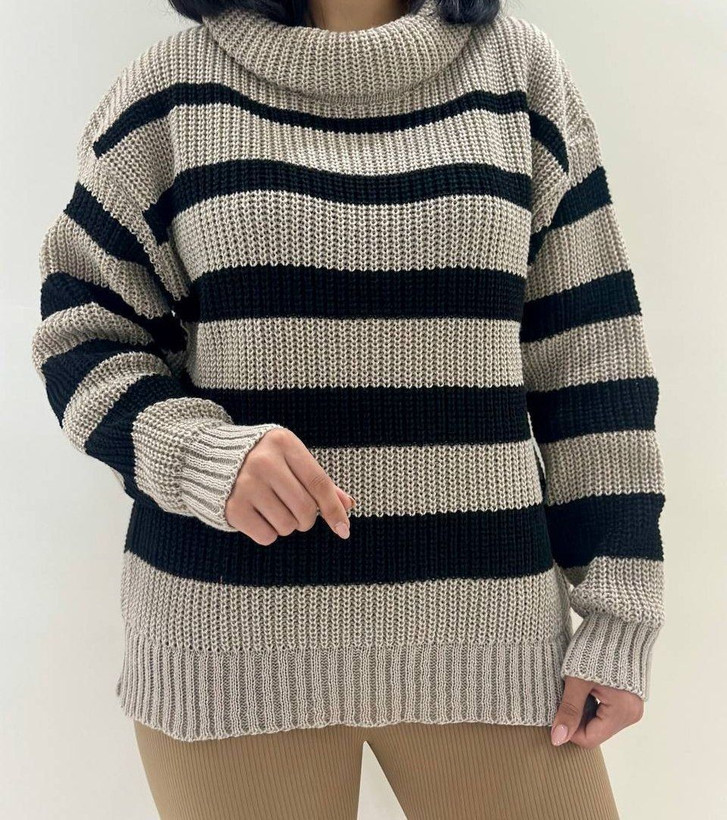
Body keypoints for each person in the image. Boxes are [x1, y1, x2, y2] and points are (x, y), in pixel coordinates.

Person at [30, 0, 666, 817]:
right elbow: (82, 330)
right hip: (227, 649)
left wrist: (619, 611)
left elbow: (591, 358)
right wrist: (196, 454)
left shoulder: (519, 76)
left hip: (490, 643)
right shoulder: (169, 92)